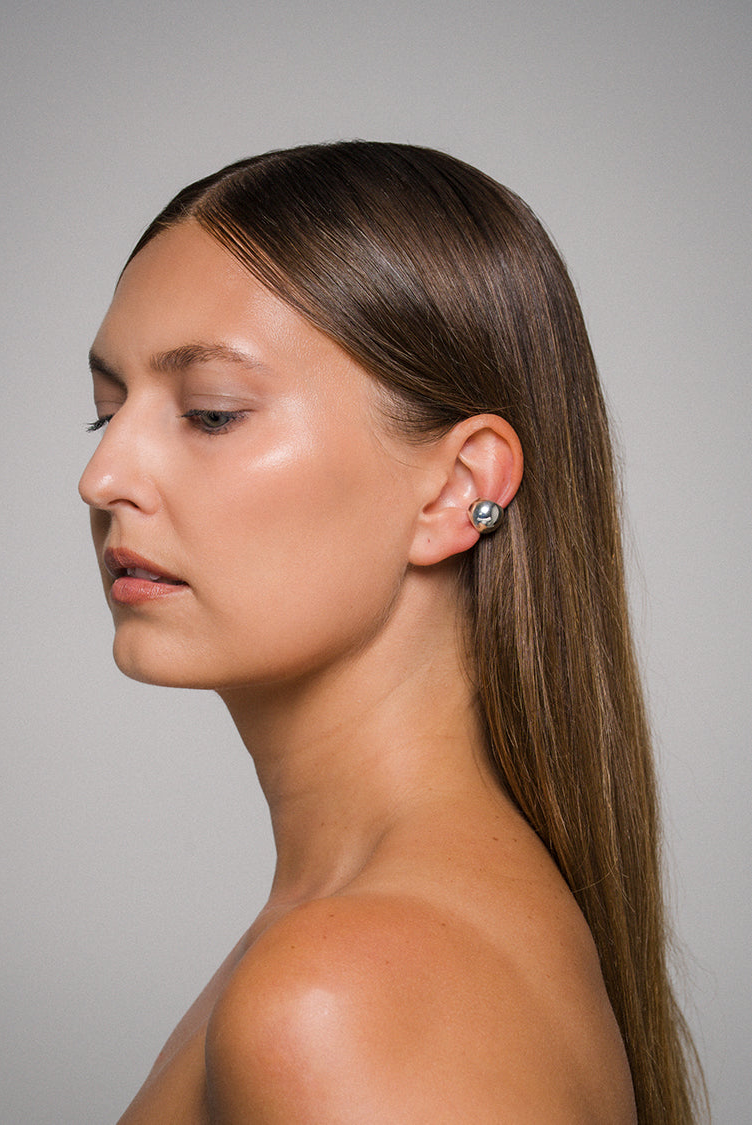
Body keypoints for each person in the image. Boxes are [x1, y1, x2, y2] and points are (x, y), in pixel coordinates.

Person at [79, 141, 704, 1124]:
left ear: (458, 491)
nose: (104, 477)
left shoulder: (344, 995)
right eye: (105, 413)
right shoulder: (384, 935)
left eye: (210, 413)